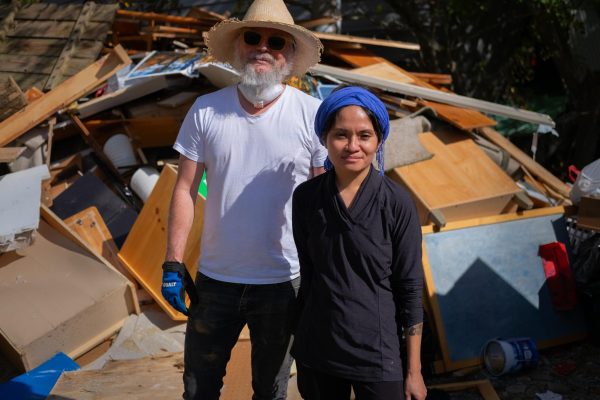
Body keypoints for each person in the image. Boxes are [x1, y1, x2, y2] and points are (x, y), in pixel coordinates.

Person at [159, 0, 326, 399]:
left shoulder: (312, 114)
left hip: (283, 282)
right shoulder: (205, 111)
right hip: (215, 281)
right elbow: (184, 189)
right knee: (198, 389)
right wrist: (172, 261)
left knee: (270, 391)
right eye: (253, 37)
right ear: (239, 47)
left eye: (276, 41)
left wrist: (324, 274)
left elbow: (324, 203)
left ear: (288, 55)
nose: (263, 47)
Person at [291, 86, 428, 400]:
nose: (352, 146)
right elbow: (308, 274)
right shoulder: (307, 198)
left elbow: (410, 288)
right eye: (341, 134)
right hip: (318, 352)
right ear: (325, 138)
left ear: (378, 140)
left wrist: (414, 372)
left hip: (378, 354)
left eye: (364, 135)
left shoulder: (396, 203)